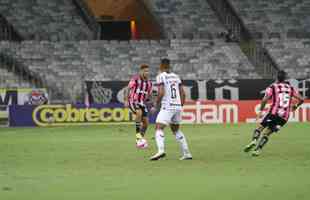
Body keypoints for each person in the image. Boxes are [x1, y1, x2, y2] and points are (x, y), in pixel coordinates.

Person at [244, 70, 304, 156]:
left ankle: (254, 140)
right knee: (268, 133)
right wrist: (295, 106)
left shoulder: (272, 87)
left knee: (260, 128)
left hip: (273, 113)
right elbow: (301, 99)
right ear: (285, 78)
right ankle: (257, 150)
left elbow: (265, 99)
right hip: (284, 117)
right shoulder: (290, 88)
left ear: (277, 78)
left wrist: (261, 110)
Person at [150, 58, 192, 161]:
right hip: (177, 106)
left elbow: (161, 92)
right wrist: (180, 106)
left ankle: (161, 151)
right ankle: (186, 153)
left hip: (167, 106)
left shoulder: (160, 76)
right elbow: (183, 93)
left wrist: (155, 105)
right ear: (169, 66)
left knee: (158, 128)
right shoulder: (176, 77)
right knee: (176, 130)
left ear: (161, 66)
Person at [124, 65, 152, 148]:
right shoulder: (135, 79)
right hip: (133, 101)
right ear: (141, 71)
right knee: (139, 112)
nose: (146, 73)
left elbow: (148, 95)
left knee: (146, 123)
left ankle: (140, 140)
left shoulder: (149, 83)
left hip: (141, 103)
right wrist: (126, 100)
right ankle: (137, 136)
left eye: (147, 71)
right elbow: (127, 89)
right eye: (145, 71)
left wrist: (151, 103)